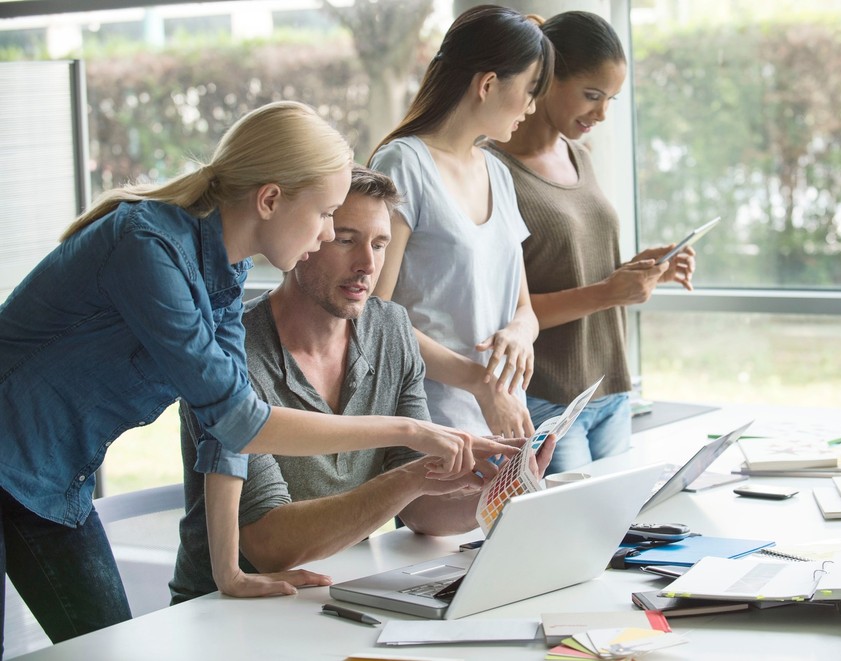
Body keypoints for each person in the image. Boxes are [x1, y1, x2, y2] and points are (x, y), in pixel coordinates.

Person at [0, 100, 511, 650]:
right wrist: (409, 431)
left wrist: (230, 573)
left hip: (52, 482)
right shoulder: (146, 247)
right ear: (270, 199)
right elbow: (243, 421)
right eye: (325, 217)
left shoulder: (225, 263)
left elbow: (226, 422)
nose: (322, 236)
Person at [170, 166, 555, 603]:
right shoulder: (228, 352)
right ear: (306, 236)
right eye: (346, 240)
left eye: (379, 244)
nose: (367, 265)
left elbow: (422, 509)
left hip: (335, 593)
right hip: (224, 611)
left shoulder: (392, 329)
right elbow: (270, 546)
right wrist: (410, 478)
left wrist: (499, 490)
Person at [486, 11, 696, 474]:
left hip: (610, 390)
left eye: (611, 100)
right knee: (575, 539)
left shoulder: (578, 154)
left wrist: (638, 271)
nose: (601, 113)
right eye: (592, 95)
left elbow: (569, 264)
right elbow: (504, 312)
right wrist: (609, 293)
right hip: (548, 397)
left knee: (620, 539)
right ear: (545, 79)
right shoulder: (490, 170)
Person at [369, 4, 555, 441]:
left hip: (505, 419)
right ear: (488, 84)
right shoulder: (403, 163)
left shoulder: (499, 173)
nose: (532, 107)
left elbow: (524, 307)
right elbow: (376, 315)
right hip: (433, 428)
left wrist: (519, 333)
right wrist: (480, 382)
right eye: (530, 90)